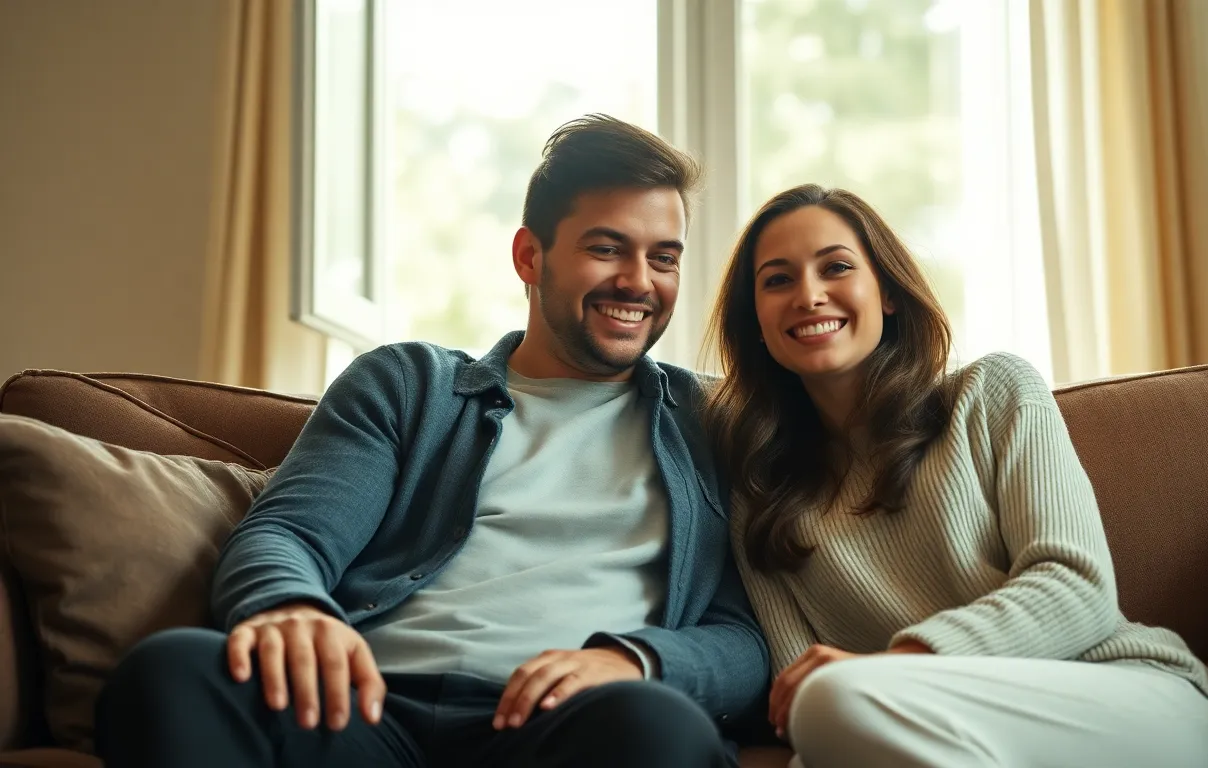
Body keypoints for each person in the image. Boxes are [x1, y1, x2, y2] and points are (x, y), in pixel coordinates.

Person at [95, 115, 768, 768]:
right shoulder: (410, 385)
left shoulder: (714, 422)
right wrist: (290, 606)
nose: (639, 281)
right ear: (530, 256)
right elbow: (289, 534)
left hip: (565, 730)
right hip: (362, 715)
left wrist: (633, 660)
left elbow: (743, 636)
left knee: (658, 727)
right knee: (172, 672)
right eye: (606, 248)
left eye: (664, 258)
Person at [703, 183, 1208, 768]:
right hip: (939, 733)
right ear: (755, 320)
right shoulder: (760, 488)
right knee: (822, 724)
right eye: (777, 280)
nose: (808, 295)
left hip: (1131, 702)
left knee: (835, 700)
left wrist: (899, 664)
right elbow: (798, 688)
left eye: (835, 267)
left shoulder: (993, 392)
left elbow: (1077, 590)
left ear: (886, 292)